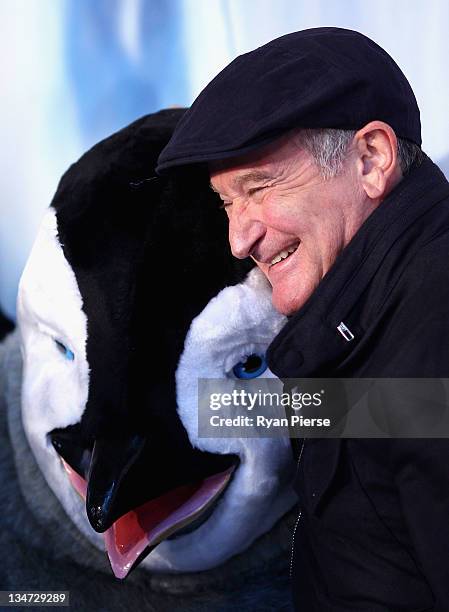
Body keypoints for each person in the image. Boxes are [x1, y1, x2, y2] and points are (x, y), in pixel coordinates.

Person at [156, 27, 449, 611]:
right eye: (226, 204)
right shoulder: (371, 319)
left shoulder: (433, 331)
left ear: (371, 159)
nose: (239, 239)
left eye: (260, 187)